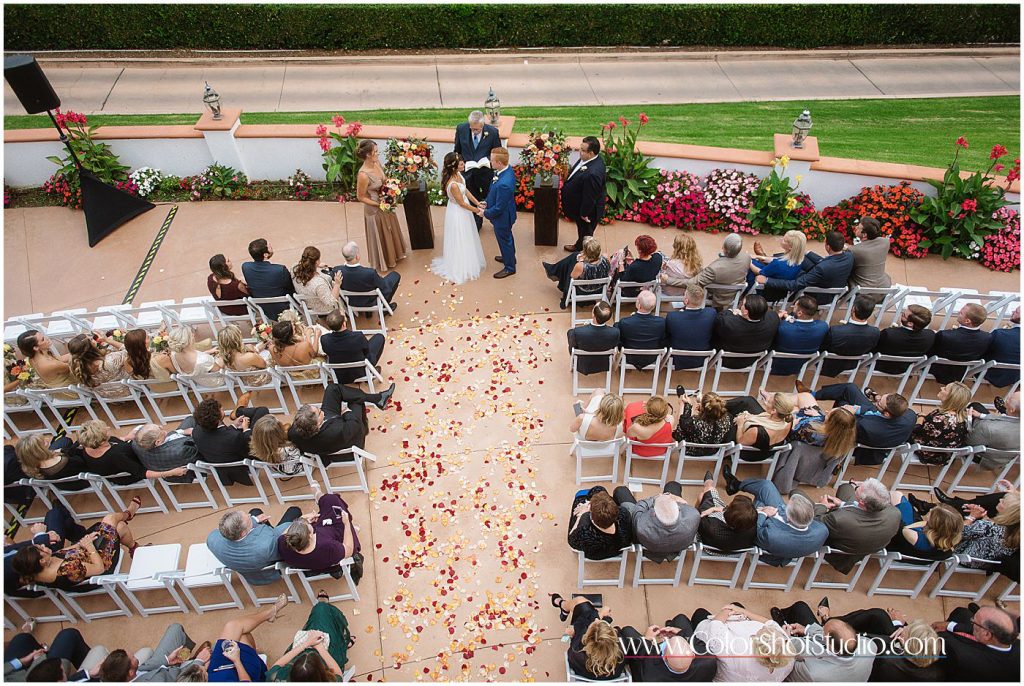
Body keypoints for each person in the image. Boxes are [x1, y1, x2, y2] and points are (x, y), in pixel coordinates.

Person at [11, 503, 141, 590]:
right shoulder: (68, 570)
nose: (44, 547)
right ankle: (129, 514)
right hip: (101, 565)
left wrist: (81, 543)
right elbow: (99, 568)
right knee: (111, 519)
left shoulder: (39, 569)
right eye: (42, 549)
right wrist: (89, 546)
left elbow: (64, 552)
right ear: (42, 561)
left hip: (86, 554)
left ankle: (133, 547)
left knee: (119, 527)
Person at [721, 472, 828, 565]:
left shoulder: (771, 536)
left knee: (756, 504)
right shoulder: (822, 531)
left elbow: (754, 530)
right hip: (786, 522)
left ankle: (731, 507)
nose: (784, 505)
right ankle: (736, 485)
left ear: (789, 518)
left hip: (771, 536)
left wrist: (763, 513)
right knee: (766, 486)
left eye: (787, 507)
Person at [808, 382, 917, 465]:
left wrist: (848, 410)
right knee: (849, 389)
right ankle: (812, 394)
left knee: (842, 402)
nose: (877, 401)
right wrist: (858, 408)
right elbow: (874, 410)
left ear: (887, 414)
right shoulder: (910, 415)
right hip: (875, 419)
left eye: (879, 402)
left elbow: (846, 422)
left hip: (866, 445)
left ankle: (820, 417)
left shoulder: (866, 427)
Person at [770, 601, 878, 682]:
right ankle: (782, 619)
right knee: (800, 607)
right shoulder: (870, 645)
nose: (822, 631)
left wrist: (786, 639)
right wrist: (806, 630)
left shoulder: (813, 673)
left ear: (829, 644)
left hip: (802, 676)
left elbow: (786, 666)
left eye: (823, 633)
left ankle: (780, 624)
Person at [812, 478, 901, 572]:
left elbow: (814, 522)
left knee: (798, 495)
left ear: (862, 502)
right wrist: (844, 504)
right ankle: (849, 492)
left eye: (858, 487)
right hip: (863, 539)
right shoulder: (895, 513)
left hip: (840, 552)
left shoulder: (838, 519)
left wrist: (822, 505)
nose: (857, 486)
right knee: (846, 487)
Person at [288, 383, 393, 460]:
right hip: (348, 442)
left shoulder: (293, 432)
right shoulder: (336, 431)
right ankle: (366, 425)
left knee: (333, 389)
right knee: (356, 401)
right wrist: (346, 412)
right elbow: (353, 424)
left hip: (329, 431)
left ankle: (378, 399)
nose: (322, 410)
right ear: (317, 424)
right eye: (320, 412)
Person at [692, 603, 795, 682]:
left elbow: (715, 625)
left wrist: (728, 610)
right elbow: (769, 623)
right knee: (737, 605)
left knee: (700, 613)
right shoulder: (788, 657)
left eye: (757, 633)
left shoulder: (736, 651)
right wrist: (741, 610)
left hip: (715, 664)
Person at [772, 399, 857, 493]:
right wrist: (818, 416)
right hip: (815, 469)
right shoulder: (844, 438)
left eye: (828, 415)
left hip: (800, 461)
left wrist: (797, 419)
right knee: (804, 399)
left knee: (789, 408)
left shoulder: (812, 434)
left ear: (832, 423)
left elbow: (791, 433)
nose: (826, 412)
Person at [5, 503, 87, 598]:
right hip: (37, 569)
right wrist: (41, 536)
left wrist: (40, 538)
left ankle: (78, 534)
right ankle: (80, 534)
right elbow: (21, 561)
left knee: (57, 518)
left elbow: (14, 549)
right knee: (55, 513)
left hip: (39, 558)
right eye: (41, 547)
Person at [80, 623, 209, 682]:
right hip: (178, 676)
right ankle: (193, 659)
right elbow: (181, 679)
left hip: (159, 665)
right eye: (133, 658)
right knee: (212, 654)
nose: (136, 656)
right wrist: (199, 662)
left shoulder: (123, 675)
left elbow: (145, 667)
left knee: (175, 629)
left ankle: (188, 657)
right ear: (130, 673)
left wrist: (168, 660)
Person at [430, 151, 487, 285]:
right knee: (460, 236)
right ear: (454, 166)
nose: (463, 163)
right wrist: (478, 210)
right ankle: (460, 264)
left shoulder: (458, 175)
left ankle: (468, 258)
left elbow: (466, 190)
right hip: (458, 212)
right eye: (460, 162)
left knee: (467, 235)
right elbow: (461, 203)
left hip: (464, 209)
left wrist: (477, 202)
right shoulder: (453, 184)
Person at [207, 506, 302, 585]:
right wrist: (302, 522)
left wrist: (255, 520)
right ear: (243, 533)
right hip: (269, 567)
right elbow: (281, 536)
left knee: (255, 512)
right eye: (249, 520)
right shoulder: (266, 543)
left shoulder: (212, 539)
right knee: (294, 511)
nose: (250, 516)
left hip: (250, 571)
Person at [72, 419, 185, 484]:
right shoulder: (117, 455)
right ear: (101, 441)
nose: (108, 428)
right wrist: (170, 473)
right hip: (128, 474)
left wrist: (126, 437)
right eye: (105, 431)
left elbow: (116, 441)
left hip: (122, 463)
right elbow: (141, 472)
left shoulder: (84, 443)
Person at [277, 491, 361, 576]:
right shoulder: (328, 547)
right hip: (333, 545)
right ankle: (352, 531)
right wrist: (347, 524)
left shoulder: (284, 543)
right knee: (333, 502)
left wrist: (303, 518)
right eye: (310, 526)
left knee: (329, 501)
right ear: (310, 535)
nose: (309, 524)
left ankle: (319, 496)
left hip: (307, 561)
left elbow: (283, 535)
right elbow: (349, 550)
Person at [355, 140, 408, 271]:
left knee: (390, 229)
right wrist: (378, 204)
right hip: (374, 208)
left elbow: (384, 180)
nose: (378, 153)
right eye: (376, 151)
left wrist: (392, 188)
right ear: (368, 154)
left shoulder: (377, 163)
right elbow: (360, 197)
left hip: (386, 203)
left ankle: (394, 254)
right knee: (381, 232)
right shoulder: (363, 175)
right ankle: (384, 260)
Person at [267, 600, 352, 681]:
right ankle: (343, 641)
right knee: (321, 610)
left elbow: (276, 666)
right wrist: (320, 648)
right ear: (321, 672)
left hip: (306, 648)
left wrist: (306, 644)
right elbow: (338, 674)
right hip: (326, 654)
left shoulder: (275, 679)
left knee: (318, 618)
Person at [757, 231, 853, 303]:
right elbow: (823, 261)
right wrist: (805, 251)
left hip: (820, 294)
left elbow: (795, 284)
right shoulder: (849, 256)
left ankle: (772, 262)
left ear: (827, 246)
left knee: (791, 268)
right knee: (800, 257)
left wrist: (767, 281)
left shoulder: (821, 268)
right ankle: (770, 259)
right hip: (832, 283)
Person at [612, 481, 699, 561]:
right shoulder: (694, 516)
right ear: (679, 508)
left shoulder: (641, 525)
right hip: (677, 547)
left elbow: (639, 507)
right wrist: (670, 496)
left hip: (649, 550)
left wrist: (656, 498)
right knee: (673, 485)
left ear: (653, 513)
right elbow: (685, 504)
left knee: (620, 491)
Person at [205, 599, 289, 682]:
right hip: (237, 676)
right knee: (244, 637)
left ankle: (270, 613)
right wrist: (236, 660)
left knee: (232, 626)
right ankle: (270, 613)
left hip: (214, 670)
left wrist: (199, 662)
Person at [619, 613, 718, 682]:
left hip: (650, 656)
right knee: (680, 618)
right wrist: (679, 632)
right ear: (693, 654)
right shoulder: (709, 661)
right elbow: (699, 644)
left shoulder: (648, 674)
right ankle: (670, 624)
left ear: (665, 657)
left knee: (627, 630)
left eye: (665, 643)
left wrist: (647, 640)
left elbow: (636, 661)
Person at [932, 605, 1020, 682]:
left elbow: (945, 642)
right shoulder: (1014, 643)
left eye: (973, 622)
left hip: (953, 673)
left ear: (986, 634)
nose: (972, 621)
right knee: (962, 613)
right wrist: (950, 625)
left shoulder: (960, 656)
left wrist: (932, 634)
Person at [191, 397, 267, 486]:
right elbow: (250, 451)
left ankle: (238, 411)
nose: (223, 410)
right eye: (221, 410)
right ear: (218, 419)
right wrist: (246, 429)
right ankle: (239, 411)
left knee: (260, 412)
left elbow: (219, 438)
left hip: (222, 463)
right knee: (262, 411)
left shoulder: (196, 432)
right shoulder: (234, 437)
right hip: (240, 465)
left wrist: (233, 426)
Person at [549, 595, 625, 680]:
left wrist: (568, 634)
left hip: (582, 670)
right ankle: (564, 606)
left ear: (586, 637)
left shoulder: (576, 650)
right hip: (610, 677)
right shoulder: (623, 650)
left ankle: (562, 605)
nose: (596, 620)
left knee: (581, 603)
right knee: (586, 608)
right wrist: (602, 618)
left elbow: (565, 639)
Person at [453, 109, 502, 232]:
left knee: (490, 197)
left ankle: (493, 218)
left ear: (483, 125)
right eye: (472, 129)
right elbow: (457, 150)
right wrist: (461, 163)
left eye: (477, 130)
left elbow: (497, 152)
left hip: (485, 173)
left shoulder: (493, 132)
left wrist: (489, 162)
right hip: (468, 172)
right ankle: (477, 220)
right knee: (472, 197)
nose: (474, 132)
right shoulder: (461, 129)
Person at [680, 233, 750, 310]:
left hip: (717, 297)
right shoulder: (747, 258)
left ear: (723, 248)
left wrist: (668, 280)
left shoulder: (713, 269)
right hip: (734, 294)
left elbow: (691, 282)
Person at [561, 136, 607, 252]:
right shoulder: (588, 159)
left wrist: (584, 213)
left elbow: (590, 196)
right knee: (582, 231)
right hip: (579, 205)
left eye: (582, 150)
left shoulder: (593, 173)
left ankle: (586, 256)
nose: (579, 151)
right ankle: (579, 246)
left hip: (588, 212)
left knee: (586, 233)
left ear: (591, 153)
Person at [953, 490, 1019, 569]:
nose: (1000, 500)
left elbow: (957, 531)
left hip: (964, 558)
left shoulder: (988, 527)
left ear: (1008, 512)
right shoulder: (1016, 532)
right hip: (988, 563)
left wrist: (972, 517)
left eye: (1003, 502)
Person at [818, 295, 880, 377]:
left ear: (853, 309)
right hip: (852, 365)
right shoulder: (875, 333)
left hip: (829, 365)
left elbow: (822, 348)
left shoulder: (835, 331)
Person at [480, 146, 518, 278]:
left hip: (503, 217)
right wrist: (486, 202)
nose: (490, 162)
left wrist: (485, 213)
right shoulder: (505, 171)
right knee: (507, 238)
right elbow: (494, 193)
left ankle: (510, 267)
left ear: (499, 163)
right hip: (505, 211)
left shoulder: (504, 183)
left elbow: (499, 208)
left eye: (492, 160)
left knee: (504, 239)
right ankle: (510, 257)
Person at [695, 472, 758, 552]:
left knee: (704, 494)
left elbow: (698, 519)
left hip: (709, 548)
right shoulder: (752, 527)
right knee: (704, 496)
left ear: (728, 514)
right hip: (735, 552)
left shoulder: (711, 527)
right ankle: (709, 485)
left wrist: (712, 509)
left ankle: (708, 484)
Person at [930, 303, 993, 382]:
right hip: (962, 371)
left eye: (961, 313)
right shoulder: (987, 337)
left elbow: (931, 351)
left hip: (937, 369)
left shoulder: (945, 335)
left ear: (967, 321)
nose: (958, 313)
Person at [4, 624, 91, 681]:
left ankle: (45, 652)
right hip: (27, 679)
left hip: (8, 674)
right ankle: (100, 670)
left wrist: (20, 661)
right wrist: (38, 660)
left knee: (22, 638)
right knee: (69, 635)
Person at [911, 381, 971, 463]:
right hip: (944, 455)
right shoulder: (962, 417)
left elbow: (917, 431)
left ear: (951, 397)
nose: (941, 388)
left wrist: (920, 417)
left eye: (945, 389)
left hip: (928, 453)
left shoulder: (939, 420)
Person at [567, 486, 633, 560]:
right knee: (599, 490)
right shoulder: (623, 514)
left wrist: (581, 515)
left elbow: (571, 541)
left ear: (590, 514)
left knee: (579, 501)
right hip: (617, 549)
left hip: (596, 554)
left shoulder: (584, 529)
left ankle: (587, 503)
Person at [544, 236, 611, 310]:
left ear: (585, 252)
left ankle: (553, 270)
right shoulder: (606, 258)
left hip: (583, 291)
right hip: (599, 289)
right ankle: (553, 269)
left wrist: (580, 261)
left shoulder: (581, 266)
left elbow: (572, 277)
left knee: (573, 259)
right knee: (574, 256)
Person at [712, 293, 780, 366]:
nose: (741, 306)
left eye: (743, 304)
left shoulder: (727, 322)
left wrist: (731, 311)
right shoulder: (773, 320)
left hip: (725, 360)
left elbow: (719, 317)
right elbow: (770, 314)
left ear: (745, 312)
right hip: (751, 361)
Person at [724, 390, 794, 459]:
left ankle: (717, 409)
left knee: (728, 417)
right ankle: (719, 404)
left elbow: (740, 442)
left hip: (751, 451)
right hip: (762, 441)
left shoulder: (757, 431)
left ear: (773, 411)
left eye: (769, 401)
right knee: (749, 401)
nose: (766, 402)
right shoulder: (788, 420)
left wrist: (740, 425)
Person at [320, 309, 385, 383]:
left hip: (340, 374)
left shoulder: (324, 339)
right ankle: (369, 372)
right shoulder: (357, 336)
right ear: (343, 324)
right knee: (379, 337)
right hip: (360, 372)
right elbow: (367, 351)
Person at [334, 241, 401, 311]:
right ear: (357, 256)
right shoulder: (370, 273)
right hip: (370, 301)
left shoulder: (337, 271)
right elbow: (383, 286)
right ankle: (385, 306)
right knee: (394, 276)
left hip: (352, 301)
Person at [770, 295, 828, 375]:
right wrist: (788, 318)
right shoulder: (823, 327)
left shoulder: (783, 328)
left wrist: (776, 317)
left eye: (794, 307)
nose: (793, 308)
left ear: (800, 313)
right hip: (800, 365)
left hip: (776, 364)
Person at [889, 492, 962, 555]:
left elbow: (904, 528)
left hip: (897, 541)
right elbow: (925, 523)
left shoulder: (915, 537)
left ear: (935, 523)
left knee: (895, 496)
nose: (930, 509)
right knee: (897, 496)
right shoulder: (948, 543)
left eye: (932, 513)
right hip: (914, 537)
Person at [241, 238, 295, 321]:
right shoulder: (280, 270)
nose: (271, 247)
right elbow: (290, 288)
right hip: (283, 307)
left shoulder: (246, 267)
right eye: (269, 247)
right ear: (265, 254)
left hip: (263, 307)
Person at [664, 285, 716, 370]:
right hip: (701, 359)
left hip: (677, 359)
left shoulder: (673, 316)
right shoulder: (711, 313)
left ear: (686, 300)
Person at [874, 303, 936, 372]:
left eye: (903, 315)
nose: (901, 314)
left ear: (910, 323)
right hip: (906, 368)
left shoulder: (889, 334)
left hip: (880, 365)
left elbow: (875, 347)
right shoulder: (930, 335)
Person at [67, 332, 130, 398]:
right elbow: (129, 350)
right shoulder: (110, 360)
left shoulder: (76, 367)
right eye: (91, 339)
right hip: (126, 389)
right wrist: (108, 340)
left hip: (104, 394)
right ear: (91, 346)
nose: (94, 340)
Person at [615, 289, 666, 369]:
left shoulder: (625, 322)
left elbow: (617, 333)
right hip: (651, 357)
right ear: (653, 307)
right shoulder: (661, 322)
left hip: (629, 357)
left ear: (639, 305)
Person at [14, 433, 88, 488]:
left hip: (59, 485)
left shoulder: (28, 467)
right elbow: (81, 461)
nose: (47, 440)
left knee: (65, 441)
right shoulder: (63, 461)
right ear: (40, 450)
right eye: (43, 442)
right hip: (80, 482)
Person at [567, 301, 620, 375]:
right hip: (603, 364)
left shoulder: (578, 332)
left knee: (570, 332)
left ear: (593, 314)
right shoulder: (615, 332)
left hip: (583, 364)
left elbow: (572, 348)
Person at [291, 246, 341, 318]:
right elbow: (331, 302)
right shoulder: (319, 283)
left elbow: (300, 265)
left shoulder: (294, 269)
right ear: (317, 261)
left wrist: (316, 265)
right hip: (324, 308)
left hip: (308, 304)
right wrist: (337, 284)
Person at [846, 215, 893, 291]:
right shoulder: (885, 242)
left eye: (859, 227)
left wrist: (847, 248)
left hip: (863, 292)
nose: (856, 227)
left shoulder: (855, 250)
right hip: (884, 287)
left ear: (864, 235)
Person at [984, 306, 1020, 388]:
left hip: (989, 372)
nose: (1012, 311)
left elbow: (983, 349)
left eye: (1017, 312)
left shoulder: (1000, 334)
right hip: (1016, 376)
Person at [659, 233, 704, 297]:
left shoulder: (671, 264)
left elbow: (662, 281)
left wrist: (662, 269)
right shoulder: (697, 265)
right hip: (688, 297)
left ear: (676, 247)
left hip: (669, 298)